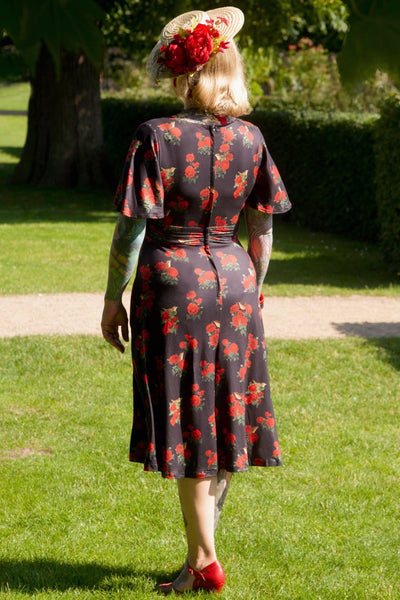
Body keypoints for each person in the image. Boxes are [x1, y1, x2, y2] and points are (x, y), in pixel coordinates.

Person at [101, 6, 291, 594]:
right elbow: (261, 233)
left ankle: (206, 559)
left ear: (183, 74)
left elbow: (132, 231)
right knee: (227, 413)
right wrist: (252, 294)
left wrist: (113, 298)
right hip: (233, 281)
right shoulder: (252, 138)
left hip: (172, 283)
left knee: (186, 419)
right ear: (230, 67)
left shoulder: (155, 136)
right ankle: (195, 560)